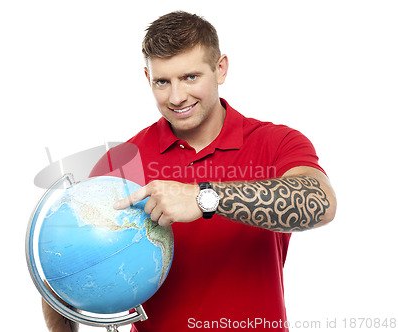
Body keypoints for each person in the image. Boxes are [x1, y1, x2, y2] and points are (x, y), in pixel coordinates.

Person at [42, 11, 337, 331]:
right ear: (147, 78)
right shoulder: (121, 164)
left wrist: (204, 197)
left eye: (191, 77)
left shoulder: (275, 142)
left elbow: (320, 203)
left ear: (220, 68)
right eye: (162, 82)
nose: (177, 97)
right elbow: (62, 271)